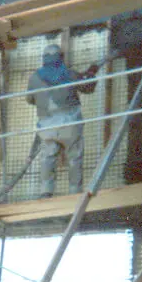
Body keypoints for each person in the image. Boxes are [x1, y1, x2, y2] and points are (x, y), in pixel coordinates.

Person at [25, 44, 97, 197]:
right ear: (61, 57)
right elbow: (88, 87)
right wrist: (91, 74)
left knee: (48, 159)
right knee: (74, 158)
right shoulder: (70, 73)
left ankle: (46, 193)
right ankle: (74, 193)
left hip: (47, 126)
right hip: (70, 124)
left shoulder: (34, 77)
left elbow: (30, 99)